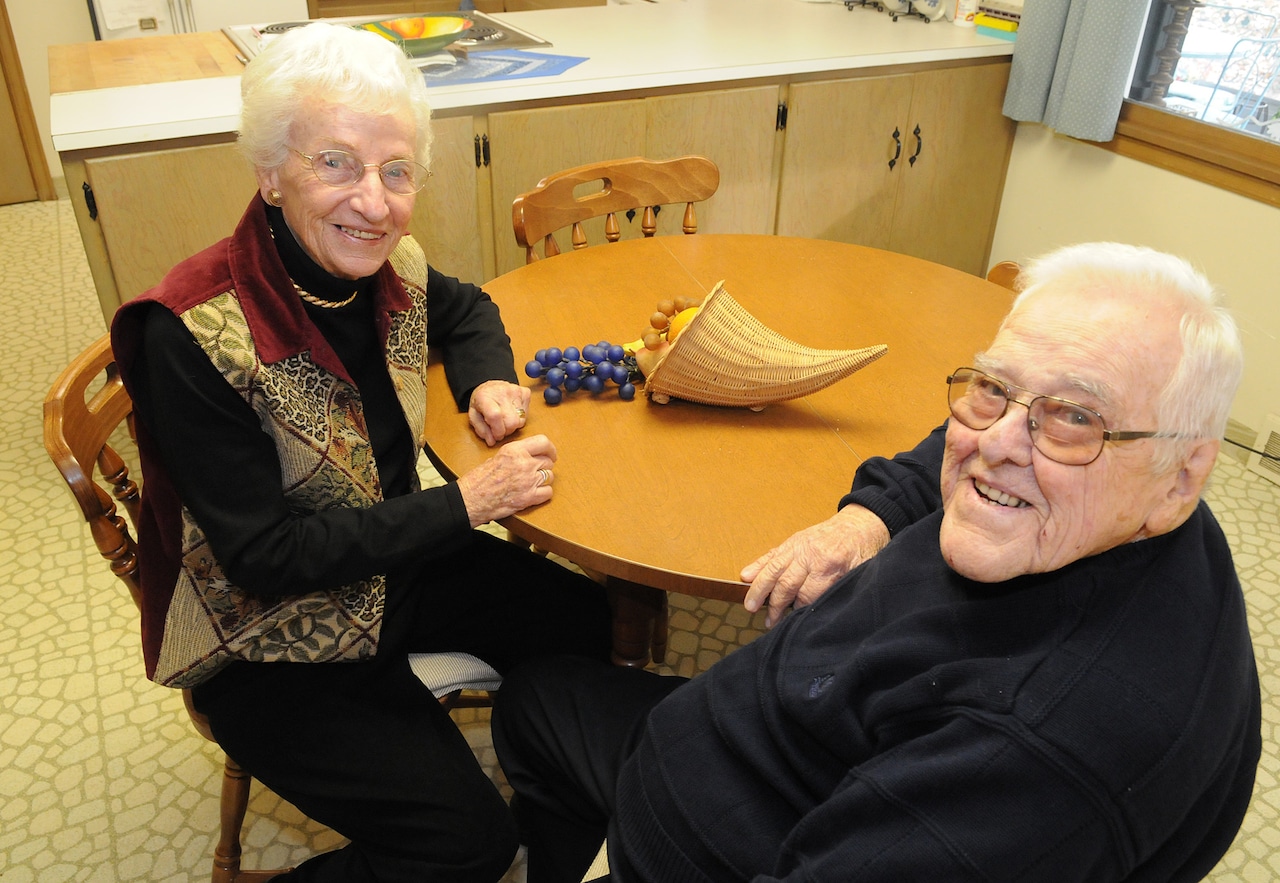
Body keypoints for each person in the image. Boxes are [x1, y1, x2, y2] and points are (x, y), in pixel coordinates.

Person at [491, 242, 1262, 882]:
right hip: (773, 749)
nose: (994, 442)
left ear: (1186, 475)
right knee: (539, 697)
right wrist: (868, 518)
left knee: (533, 707)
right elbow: (957, 434)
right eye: (995, 387)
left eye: (1073, 417)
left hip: (711, 837)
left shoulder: (1034, 755)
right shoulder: (1136, 491)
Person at [109, 22, 611, 882]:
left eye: (396, 170)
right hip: (264, 638)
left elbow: (467, 311)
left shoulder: (386, 263)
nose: (374, 203)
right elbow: (264, 556)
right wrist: (466, 503)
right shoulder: (191, 332)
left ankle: (556, 827)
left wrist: (487, 381)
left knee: (586, 620)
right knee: (467, 846)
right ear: (270, 171)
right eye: (335, 163)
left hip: (391, 565)